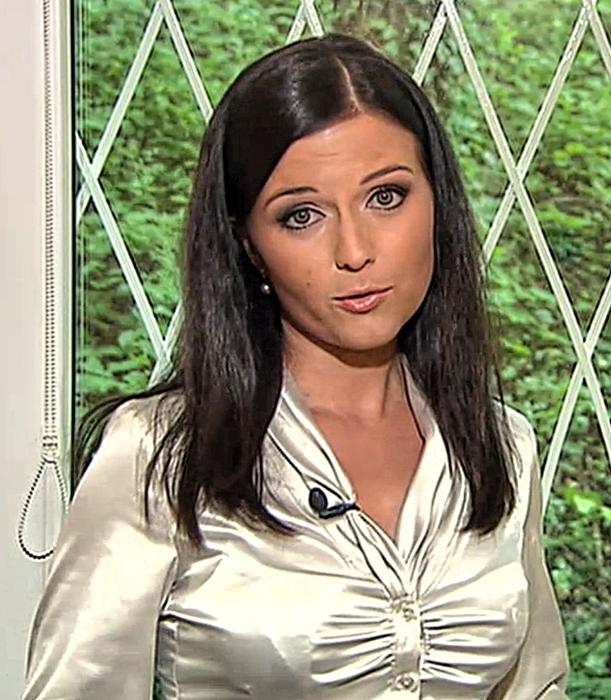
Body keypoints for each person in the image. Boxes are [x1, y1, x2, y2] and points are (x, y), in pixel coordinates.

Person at [22, 33, 569, 699]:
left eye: (386, 197)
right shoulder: (159, 455)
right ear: (248, 245)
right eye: (301, 215)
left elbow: (538, 685)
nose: (354, 250)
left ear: (437, 203)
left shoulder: (499, 446)